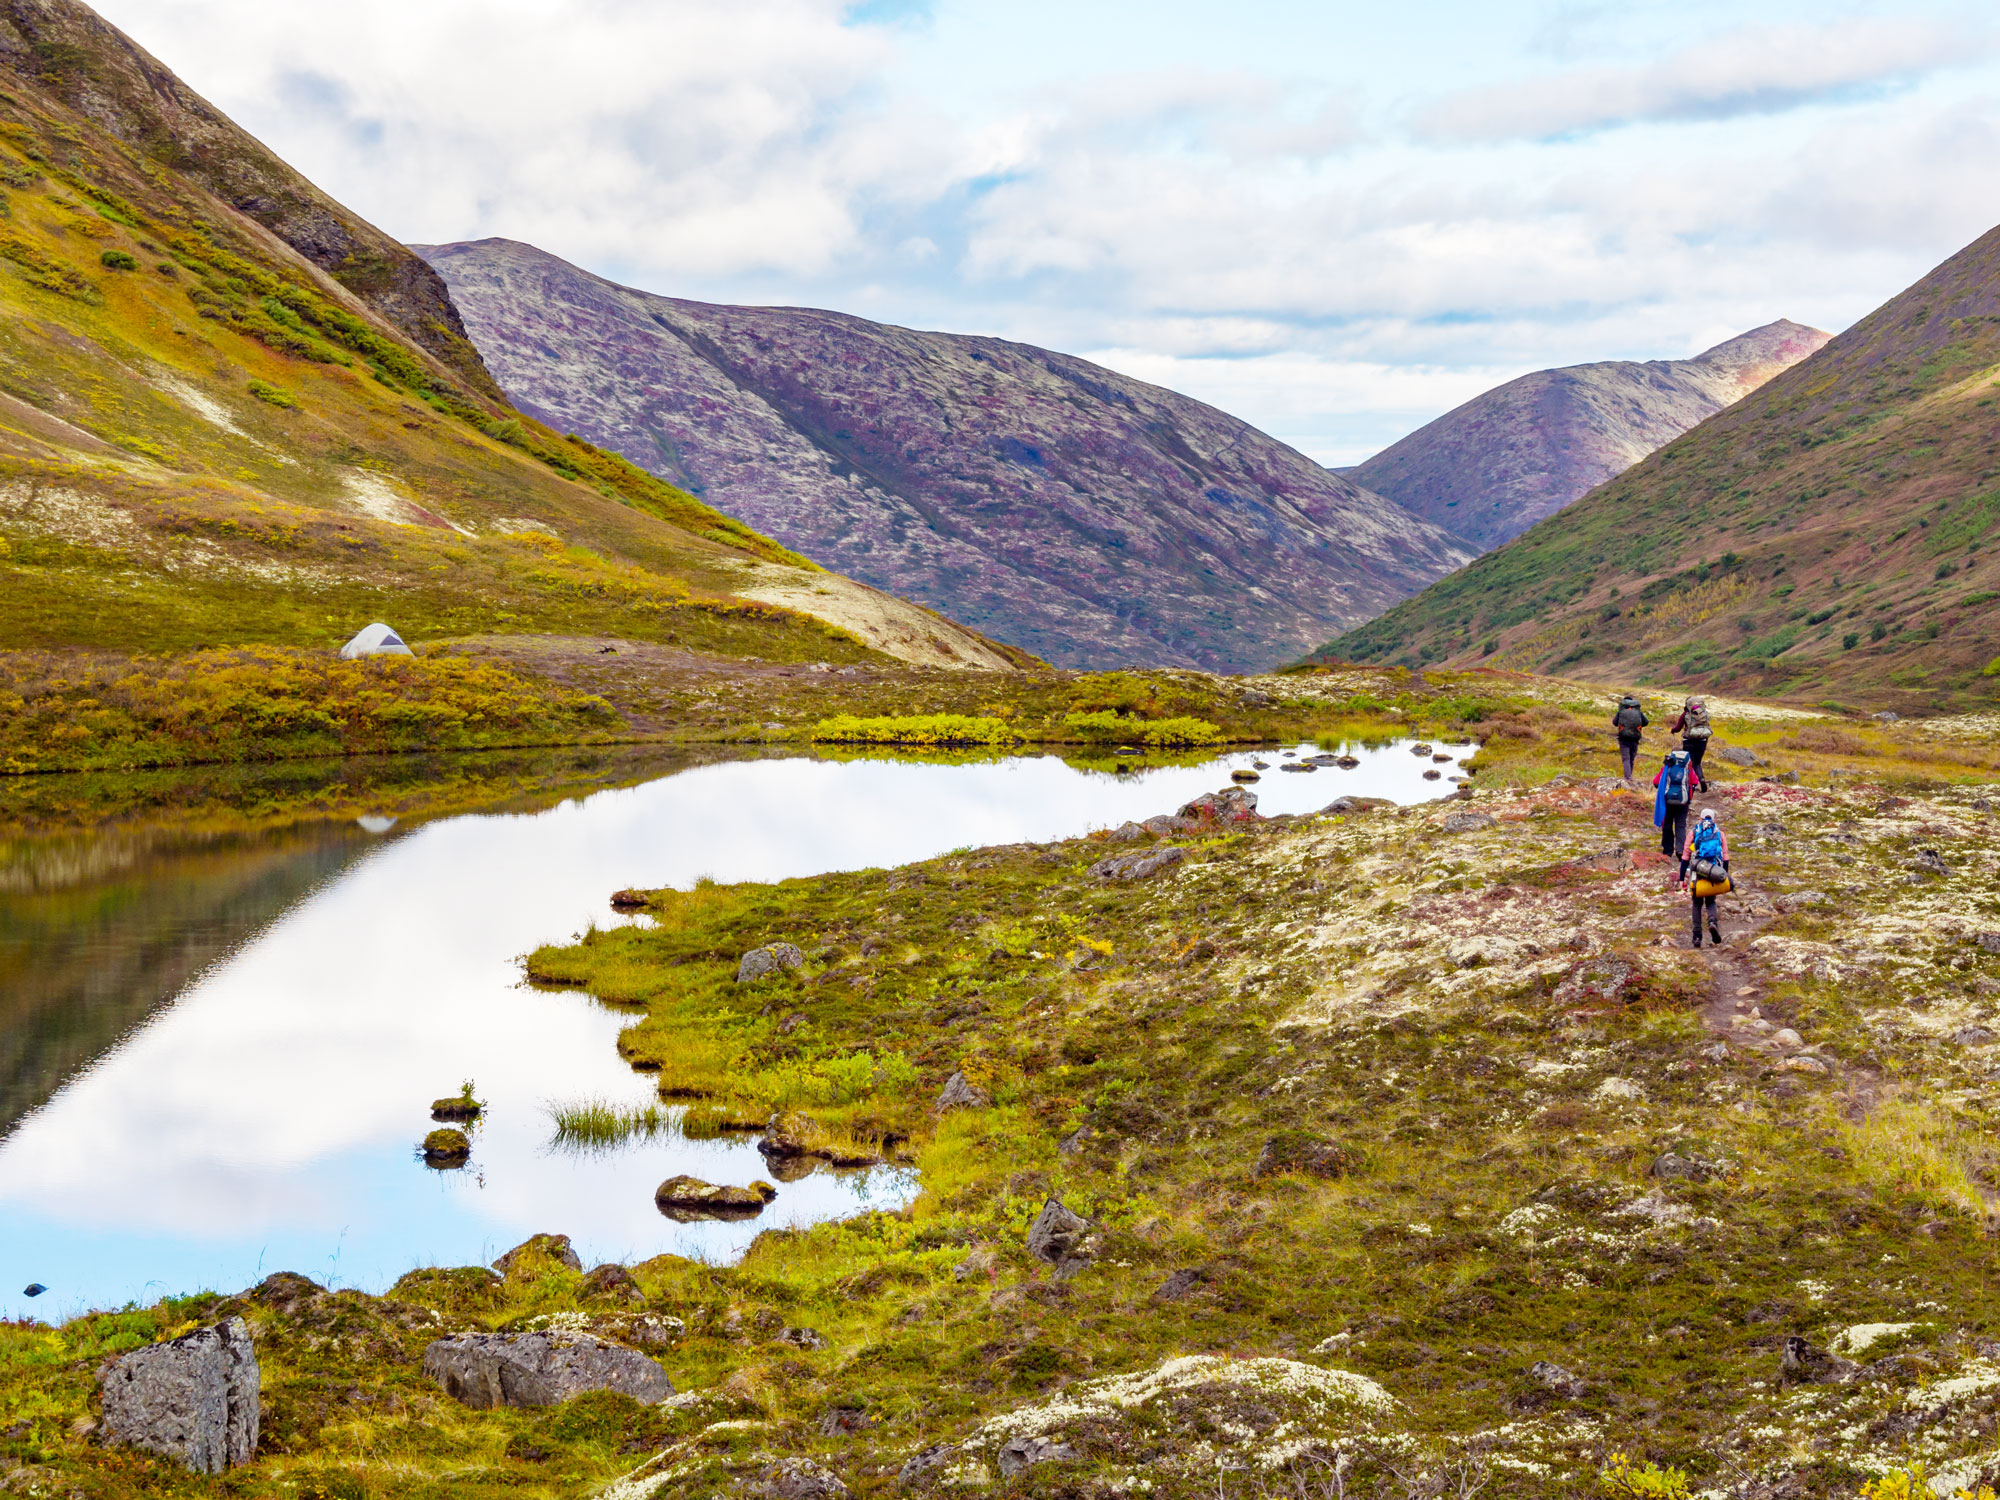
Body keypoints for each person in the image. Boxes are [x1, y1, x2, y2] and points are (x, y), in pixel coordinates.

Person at [1679, 808, 1731, 948]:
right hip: (1713, 870)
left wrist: (1681, 878)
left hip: (1697, 871)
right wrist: (1723, 875)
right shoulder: (1719, 833)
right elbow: (1725, 857)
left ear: (1700, 819)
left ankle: (1697, 937)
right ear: (1713, 819)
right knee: (1710, 901)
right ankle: (1713, 923)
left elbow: (1685, 856)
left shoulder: (1694, 832)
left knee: (1696, 903)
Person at [1653, 748, 1694, 858]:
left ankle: (1667, 850)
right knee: (1680, 826)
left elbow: (1656, 782)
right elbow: (1695, 781)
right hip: (1683, 803)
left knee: (1667, 825)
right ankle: (1681, 850)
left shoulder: (1667, 767)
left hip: (1667, 802)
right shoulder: (1687, 768)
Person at [1670, 695, 1712, 790]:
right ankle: (1701, 779)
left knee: (1689, 763)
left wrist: (1673, 730)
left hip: (1689, 741)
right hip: (1702, 741)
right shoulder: (1704, 714)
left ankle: (1691, 784)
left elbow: (1678, 727)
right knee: (1697, 763)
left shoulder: (1685, 714)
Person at [1611, 694, 1648, 780]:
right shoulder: (1638, 712)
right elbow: (1646, 722)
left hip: (1623, 738)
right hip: (1635, 738)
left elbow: (1614, 722)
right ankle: (1630, 776)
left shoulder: (1621, 711)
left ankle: (1628, 777)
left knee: (1626, 758)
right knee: (1631, 758)